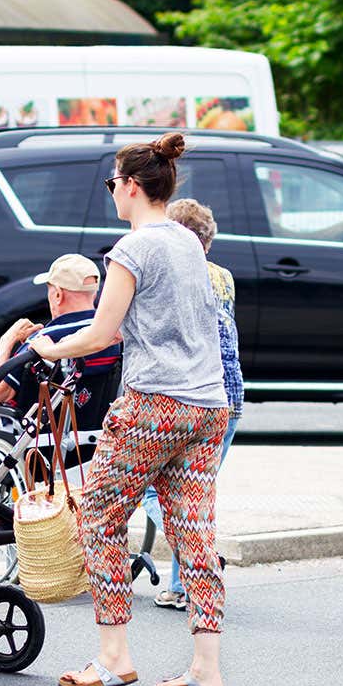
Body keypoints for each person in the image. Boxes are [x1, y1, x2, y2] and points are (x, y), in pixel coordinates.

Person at [30, 132, 231, 686]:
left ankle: (114, 656)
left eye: (113, 183)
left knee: (97, 516)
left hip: (154, 404)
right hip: (207, 405)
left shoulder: (133, 248)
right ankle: (206, 670)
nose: (112, 192)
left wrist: (46, 348)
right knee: (193, 529)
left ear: (133, 186)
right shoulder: (189, 244)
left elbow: (100, 332)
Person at [146, 198, 244, 611]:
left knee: (158, 490)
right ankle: (183, 584)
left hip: (188, 394)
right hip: (231, 397)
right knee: (196, 494)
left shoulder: (178, 275)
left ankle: (197, 557)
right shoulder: (224, 277)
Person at [0, 253, 121, 414]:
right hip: (92, 433)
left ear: (57, 294)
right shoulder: (110, 334)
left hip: (42, 435)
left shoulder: (44, 339)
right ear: (95, 292)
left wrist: (7, 340)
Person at [257, 178, 343, 242]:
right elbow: (307, 239)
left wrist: (341, 232)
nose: (276, 203)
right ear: (258, 200)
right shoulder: (260, 228)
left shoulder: (261, 226)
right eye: (271, 197)